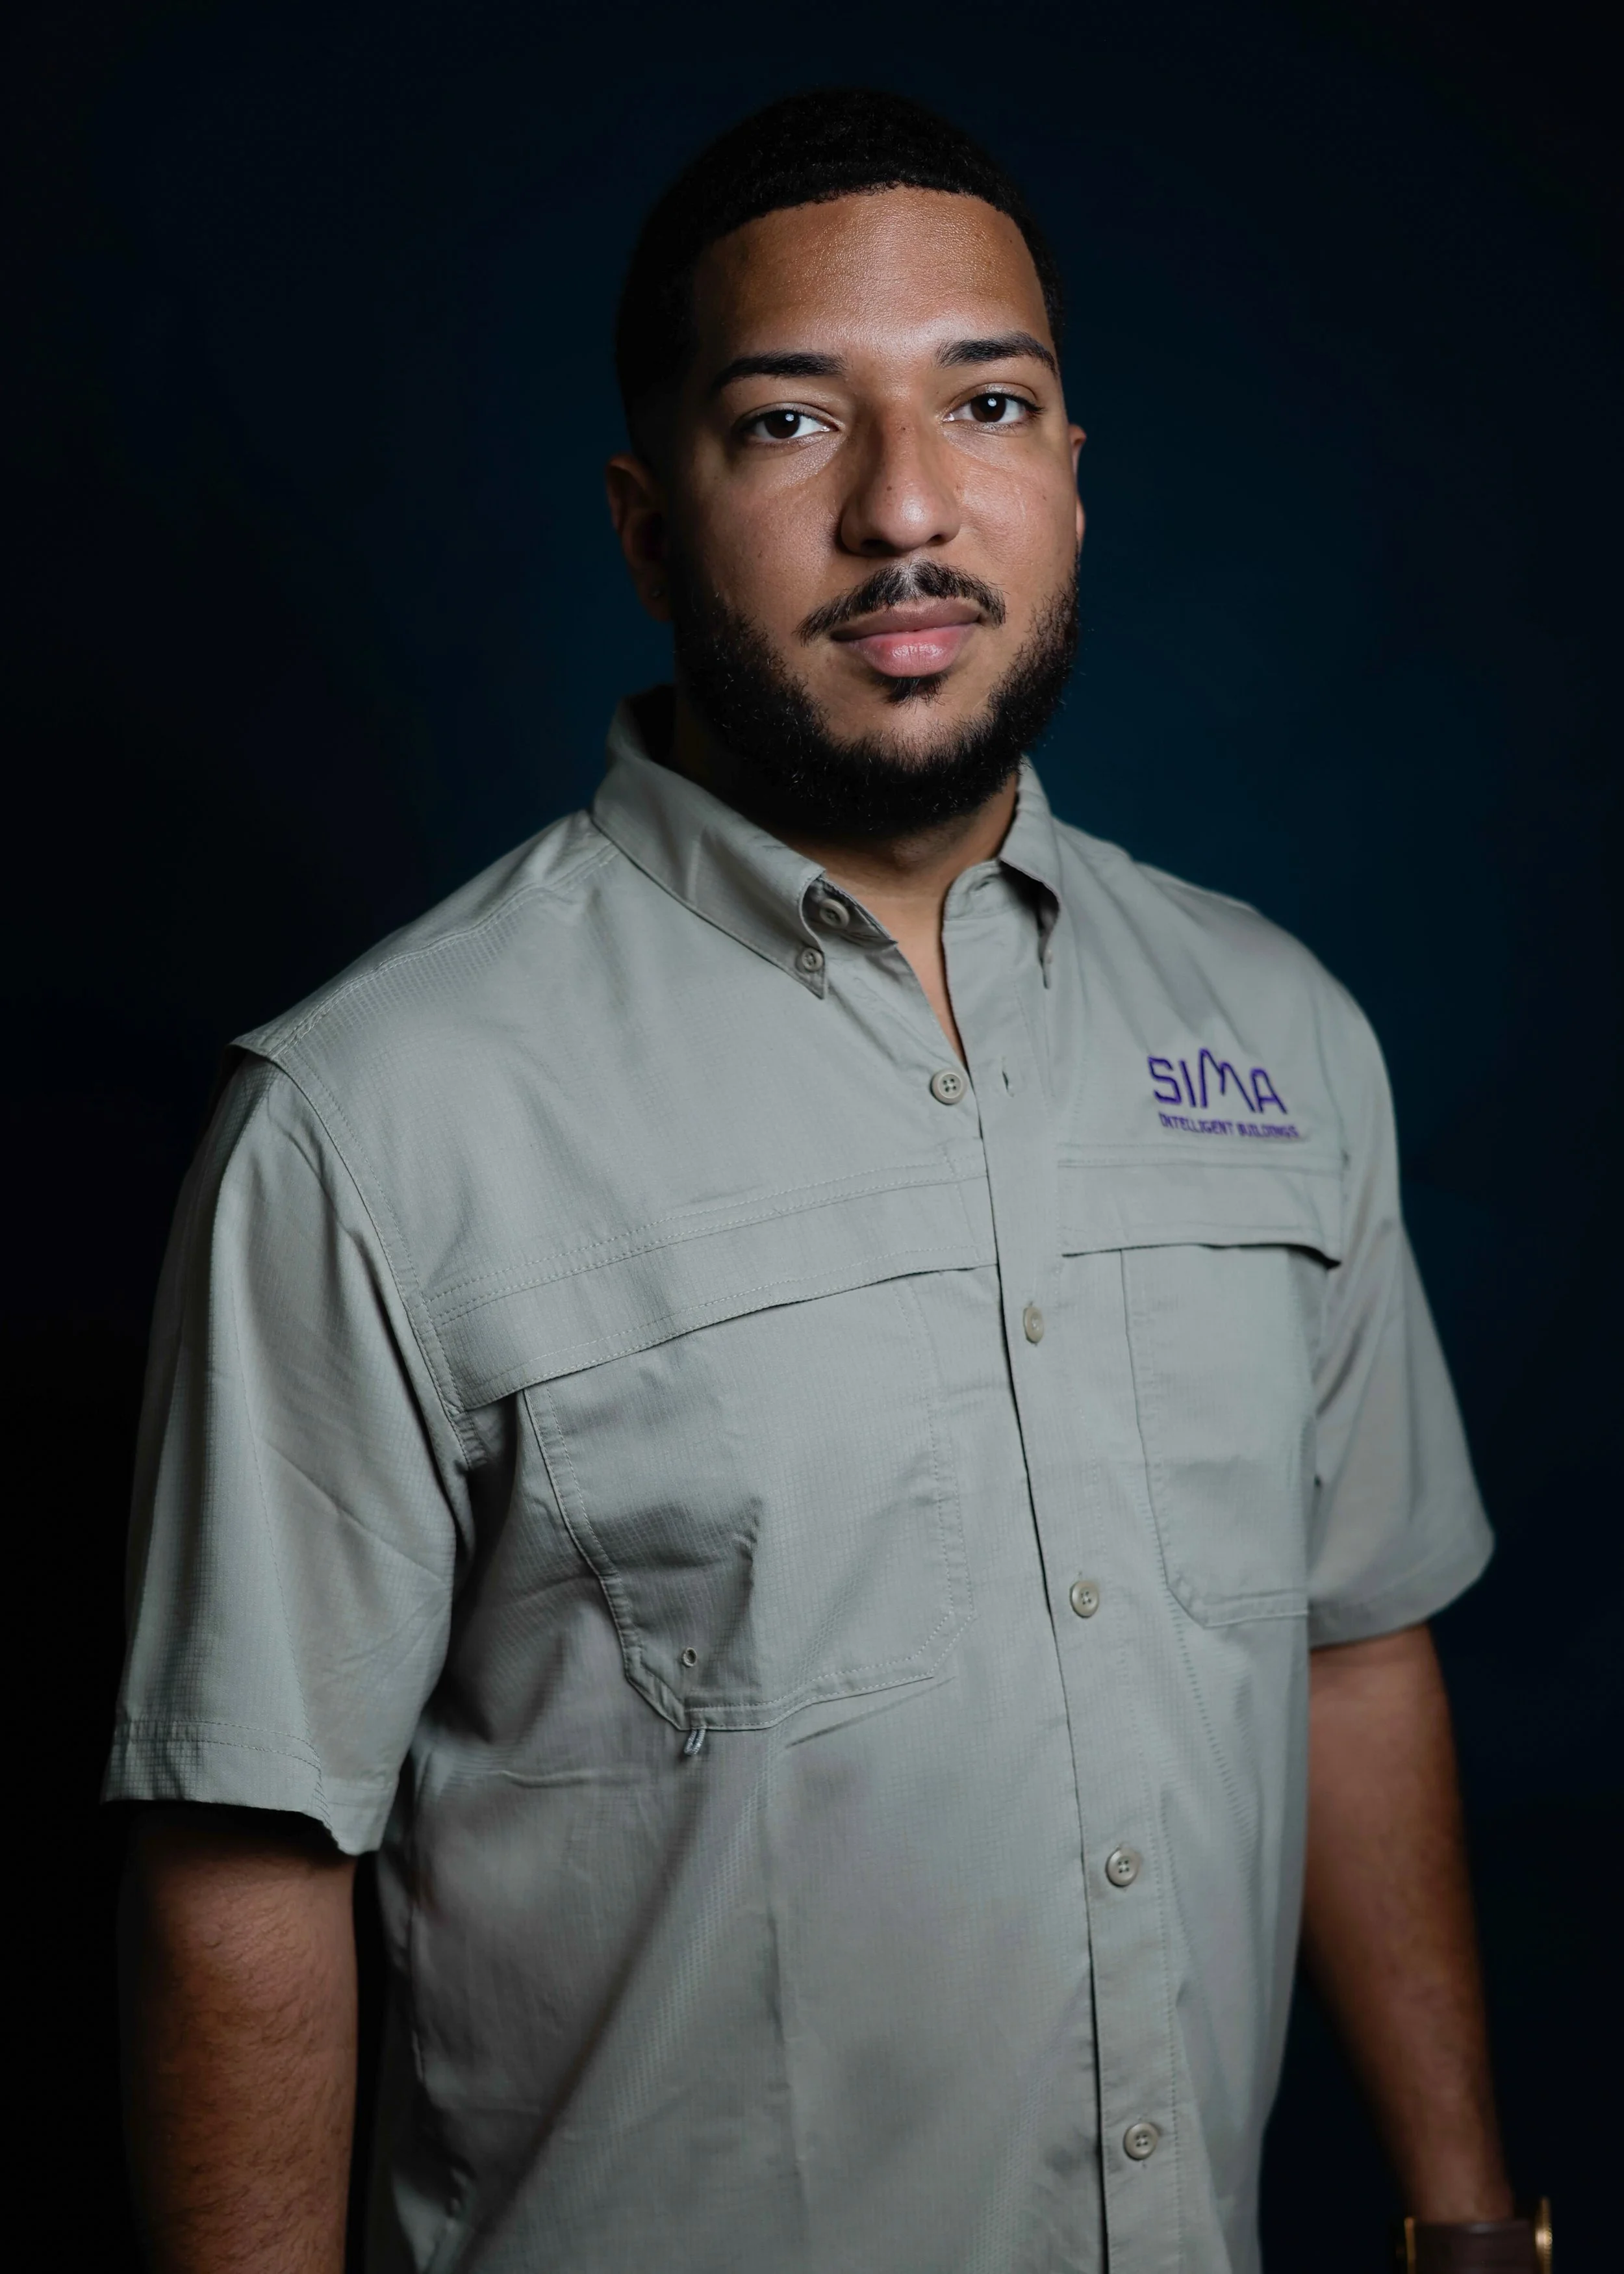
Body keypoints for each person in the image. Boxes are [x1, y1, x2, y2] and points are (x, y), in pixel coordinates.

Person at [108, 87, 1547, 2274]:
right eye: (788, 423)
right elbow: (244, 1854)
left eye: (988, 401)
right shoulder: (372, 1114)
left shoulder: (1278, 1029)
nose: (904, 507)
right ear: (644, 518)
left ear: (1068, 476)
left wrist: (1465, 2226)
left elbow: (1349, 1647)